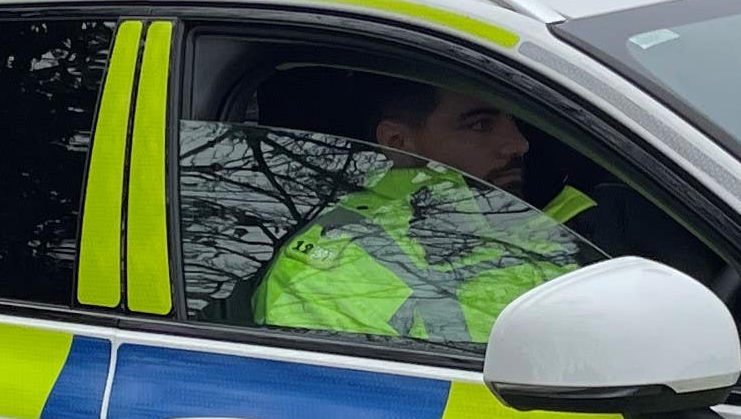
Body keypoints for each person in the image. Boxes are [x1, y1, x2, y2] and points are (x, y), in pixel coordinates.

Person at [253, 79, 595, 343]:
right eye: (480, 126)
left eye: (515, 121)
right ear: (398, 142)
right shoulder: (333, 270)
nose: (519, 143)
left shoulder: (554, 220)